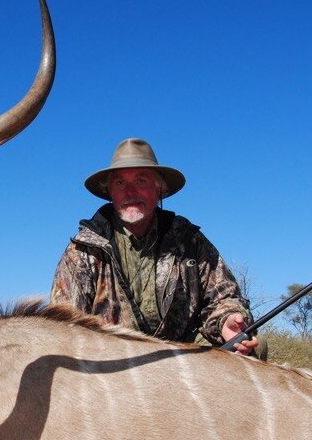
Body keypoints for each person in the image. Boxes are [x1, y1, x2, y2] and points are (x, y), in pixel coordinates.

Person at [51, 138, 261, 356]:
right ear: (110, 192)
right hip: (112, 366)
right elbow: (64, 326)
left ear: (160, 188)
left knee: (256, 347)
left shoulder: (189, 240)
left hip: (182, 361)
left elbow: (224, 296)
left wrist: (227, 320)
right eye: (120, 183)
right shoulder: (83, 249)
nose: (130, 192)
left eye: (141, 181)